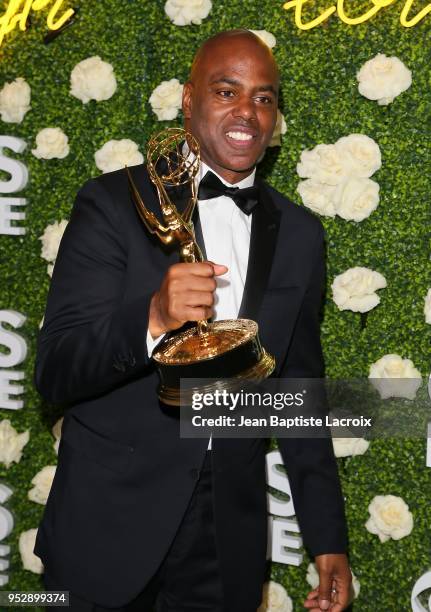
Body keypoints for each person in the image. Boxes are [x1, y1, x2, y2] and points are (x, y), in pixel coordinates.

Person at [34, 29, 352, 612]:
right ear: (187, 99)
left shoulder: (303, 236)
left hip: (224, 548)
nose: (247, 113)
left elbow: (298, 394)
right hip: (103, 535)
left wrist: (328, 537)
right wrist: (151, 317)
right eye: (226, 91)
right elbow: (55, 372)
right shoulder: (112, 205)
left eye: (263, 97)